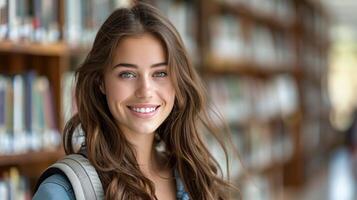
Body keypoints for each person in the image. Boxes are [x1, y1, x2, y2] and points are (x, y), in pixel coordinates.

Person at [33, 2, 234, 200]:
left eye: (161, 73)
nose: (145, 91)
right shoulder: (61, 191)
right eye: (127, 74)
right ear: (100, 82)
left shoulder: (193, 177)